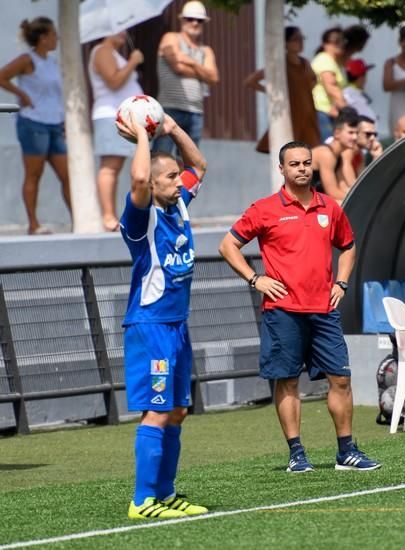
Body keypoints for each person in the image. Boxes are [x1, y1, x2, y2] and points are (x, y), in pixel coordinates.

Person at [219, 140, 381, 473]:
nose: (303, 169)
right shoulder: (264, 209)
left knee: (341, 379)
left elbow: (348, 247)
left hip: (323, 309)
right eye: (294, 164)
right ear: (282, 169)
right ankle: (296, 453)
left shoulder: (330, 207)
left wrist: (342, 282)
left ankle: (346, 451)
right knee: (288, 380)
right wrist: (255, 279)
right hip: (282, 311)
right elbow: (228, 245)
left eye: (307, 163)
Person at [115, 110, 208, 519]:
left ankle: (166, 494)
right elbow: (137, 180)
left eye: (176, 177)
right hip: (149, 327)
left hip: (176, 327)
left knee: (178, 410)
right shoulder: (142, 218)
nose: (178, 181)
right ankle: (142, 501)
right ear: (153, 185)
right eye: (170, 177)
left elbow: (199, 165)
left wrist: (170, 128)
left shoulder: (179, 206)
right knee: (156, 409)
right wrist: (141, 134)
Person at [0, 17, 71, 235]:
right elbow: (2, 76)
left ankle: (79, 219)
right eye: (53, 34)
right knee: (34, 174)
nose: (56, 38)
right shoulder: (27, 59)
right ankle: (33, 224)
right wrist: (22, 95)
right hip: (33, 122)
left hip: (54, 124)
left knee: (67, 175)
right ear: (43, 38)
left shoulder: (52, 61)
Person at [88, 32, 145, 232]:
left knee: (123, 166)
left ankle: (120, 214)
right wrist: (133, 62)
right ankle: (108, 216)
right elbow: (114, 81)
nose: (123, 32)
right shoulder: (102, 51)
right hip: (110, 114)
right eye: (118, 28)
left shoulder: (112, 53)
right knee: (110, 166)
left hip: (123, 115)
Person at [154, 1, 219, 154]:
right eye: (190, 19)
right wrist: (203, 72)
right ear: (182, 20)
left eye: (199, 20)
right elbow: (178, 67)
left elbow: (214, 78)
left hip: (196, 112)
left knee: (189, 160)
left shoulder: (206, 50)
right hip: (170, 108)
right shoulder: (170, 38)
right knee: (161, 156)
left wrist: (191, 62)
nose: (195, 23)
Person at [244, 26, 320, 153]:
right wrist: (271, 92)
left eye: (302, 39)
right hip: (290, 115)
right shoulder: (280, 64)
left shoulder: (305, 63)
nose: (300, 42)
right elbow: (250, 81)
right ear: (285, 43)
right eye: (296, 39)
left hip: (308, 115)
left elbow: (314, 80)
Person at [311, 108, 358, 203]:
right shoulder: (326, 154)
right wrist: (358, 199)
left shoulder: (338, 156)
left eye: (356, 133)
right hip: (294, 205)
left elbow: (342, 186)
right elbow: (332, 192)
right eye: (351, 133)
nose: (355, 137)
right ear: (337, 133)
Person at [312, 27, 347, 142]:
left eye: (342, 41)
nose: (340, 44)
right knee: (328, 148)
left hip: (329, 112)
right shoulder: (324, 60)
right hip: (323, 112)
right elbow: (331, 87)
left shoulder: (332, 61)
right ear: (325, 44)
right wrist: (347, 111)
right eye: (336, 41)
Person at [383, 26, 405, 136]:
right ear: (400, 43)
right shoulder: (391, 63)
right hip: (399, 103)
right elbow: (386, 85)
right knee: (399, 131)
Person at [340, 115, 383, 186]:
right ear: (356, 133)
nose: (372, 138)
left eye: (374, 134)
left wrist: (376, 157)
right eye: (368, 134)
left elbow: (363, 181)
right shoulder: (346, 153)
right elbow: (354, 188)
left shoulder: (359, 154)